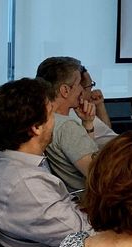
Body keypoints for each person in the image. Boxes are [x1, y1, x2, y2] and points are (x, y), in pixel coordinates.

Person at [0, 78, 90, 247]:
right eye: (51, 113)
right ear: (36, 127)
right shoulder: (27, 186)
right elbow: (86, 234)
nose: (55, 120)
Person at [36, 56, 100, 192]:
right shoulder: (67, 126)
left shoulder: (41, 119)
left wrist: (88, 123)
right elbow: (99, 175)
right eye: (79, 84)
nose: (82, 89)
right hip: (88, 199)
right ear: (65, 90)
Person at [76, 65, 117, 147]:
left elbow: (106, 131)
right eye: (90, 86)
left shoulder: (84, 108)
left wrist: (99, 105)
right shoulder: (76, 115)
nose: (92, 90)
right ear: (81, 90)